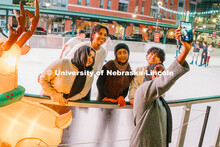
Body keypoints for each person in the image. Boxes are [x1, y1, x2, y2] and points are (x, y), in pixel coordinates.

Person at [130, 26, 192, 147]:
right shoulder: (143, 90)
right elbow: (165, 80)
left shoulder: (158, 99)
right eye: (157, 69)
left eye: (162, 71)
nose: (160, 73)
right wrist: (185, 51)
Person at [66, 24, 109, 101]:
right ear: (93, 34)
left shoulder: (103, 52)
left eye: (105, 35)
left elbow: (97, 70)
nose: (103, 37)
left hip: (86, 85)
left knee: (83, 109)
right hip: (72, 82)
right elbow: (66, 62)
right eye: (100, 33)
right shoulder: (81, 46)